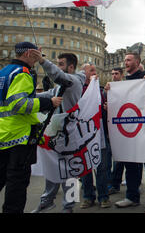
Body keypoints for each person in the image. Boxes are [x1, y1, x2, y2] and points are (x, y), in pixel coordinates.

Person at [0, 42, 62, 213]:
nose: (38, 59)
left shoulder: (4, 72)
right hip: (19, 135)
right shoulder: (22, 73)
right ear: (28, 53)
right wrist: (48, 102)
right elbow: (18, 104)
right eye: (37, 55)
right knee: (17, 182)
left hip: (3, 133)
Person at [31, 52, 86, 213]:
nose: (58, 67)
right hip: (55, 134)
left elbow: (58, 75)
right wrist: (23, 96)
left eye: (61, 64)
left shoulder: (74, 81)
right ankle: (47, 200)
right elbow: (44, 96)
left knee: (70, 172)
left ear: (71, 66)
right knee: (51, 167)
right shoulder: (59, 88)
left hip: (71, 136)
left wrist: (41, 60)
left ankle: (68, 207)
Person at [113, 52, 145, 210]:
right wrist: (109, 93)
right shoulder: (122, 82)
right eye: (124, 60)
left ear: (137, 62)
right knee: (131, 163)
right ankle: (132, 196)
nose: (125, 62)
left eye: (129, 60)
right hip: (131, 129)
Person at [78, 63, 112, 209]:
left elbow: (106, 109)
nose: (95, 73)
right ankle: (88, 196)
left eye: (95, 70)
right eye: (91, 71)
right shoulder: (77, 91)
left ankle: (103, 197)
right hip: (83, 135)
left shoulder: (100, 90)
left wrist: (107, 106)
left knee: (102, 167)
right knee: (85, 168)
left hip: (100, 133)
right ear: (83, 74)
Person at [108, 67, 125, 195]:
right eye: (112, 74)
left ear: (122, 75)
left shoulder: (127, 87)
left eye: (116, 73)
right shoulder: (108, 90)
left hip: (124, 128)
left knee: (119, 161)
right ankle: (113, 183)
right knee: (112, 161)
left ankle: (115, 183)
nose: (114, 76)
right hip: (112, 129)